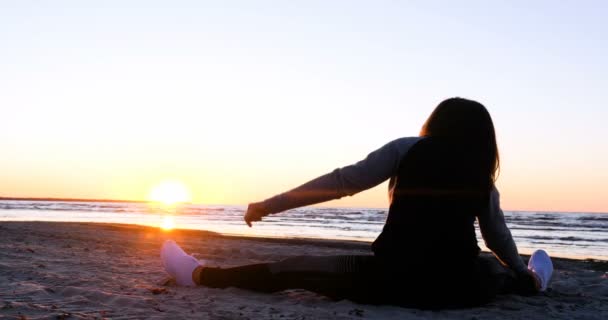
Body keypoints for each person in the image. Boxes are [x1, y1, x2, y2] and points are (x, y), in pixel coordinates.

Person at [161, 98, 554, 309]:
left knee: (293, 269)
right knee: (495, 273)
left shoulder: (408, 149)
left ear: (435, 124)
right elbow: (497, 238)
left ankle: (198, 276)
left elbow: (342, 183)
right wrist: (518, 270)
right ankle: (535, 279)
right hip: (459, 288)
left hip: (390, 279)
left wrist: (268, 205)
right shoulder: (480, 178)